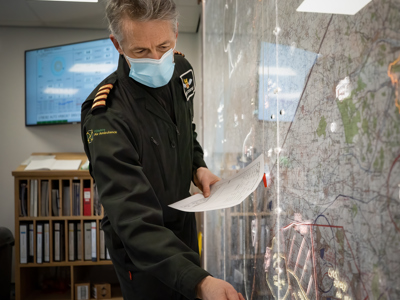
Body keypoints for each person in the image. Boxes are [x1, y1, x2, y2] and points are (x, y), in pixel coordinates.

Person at [81, 1, 245, 299]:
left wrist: (198, 166)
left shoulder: (182, 70)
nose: (157, 59)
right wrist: (200, 281)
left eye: (163, 46)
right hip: (141, 243)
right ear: (117, 44)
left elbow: (184, 129)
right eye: (141, 52)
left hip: (181, 219)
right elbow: (132, 216)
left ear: (176, 33)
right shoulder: (106, 115)